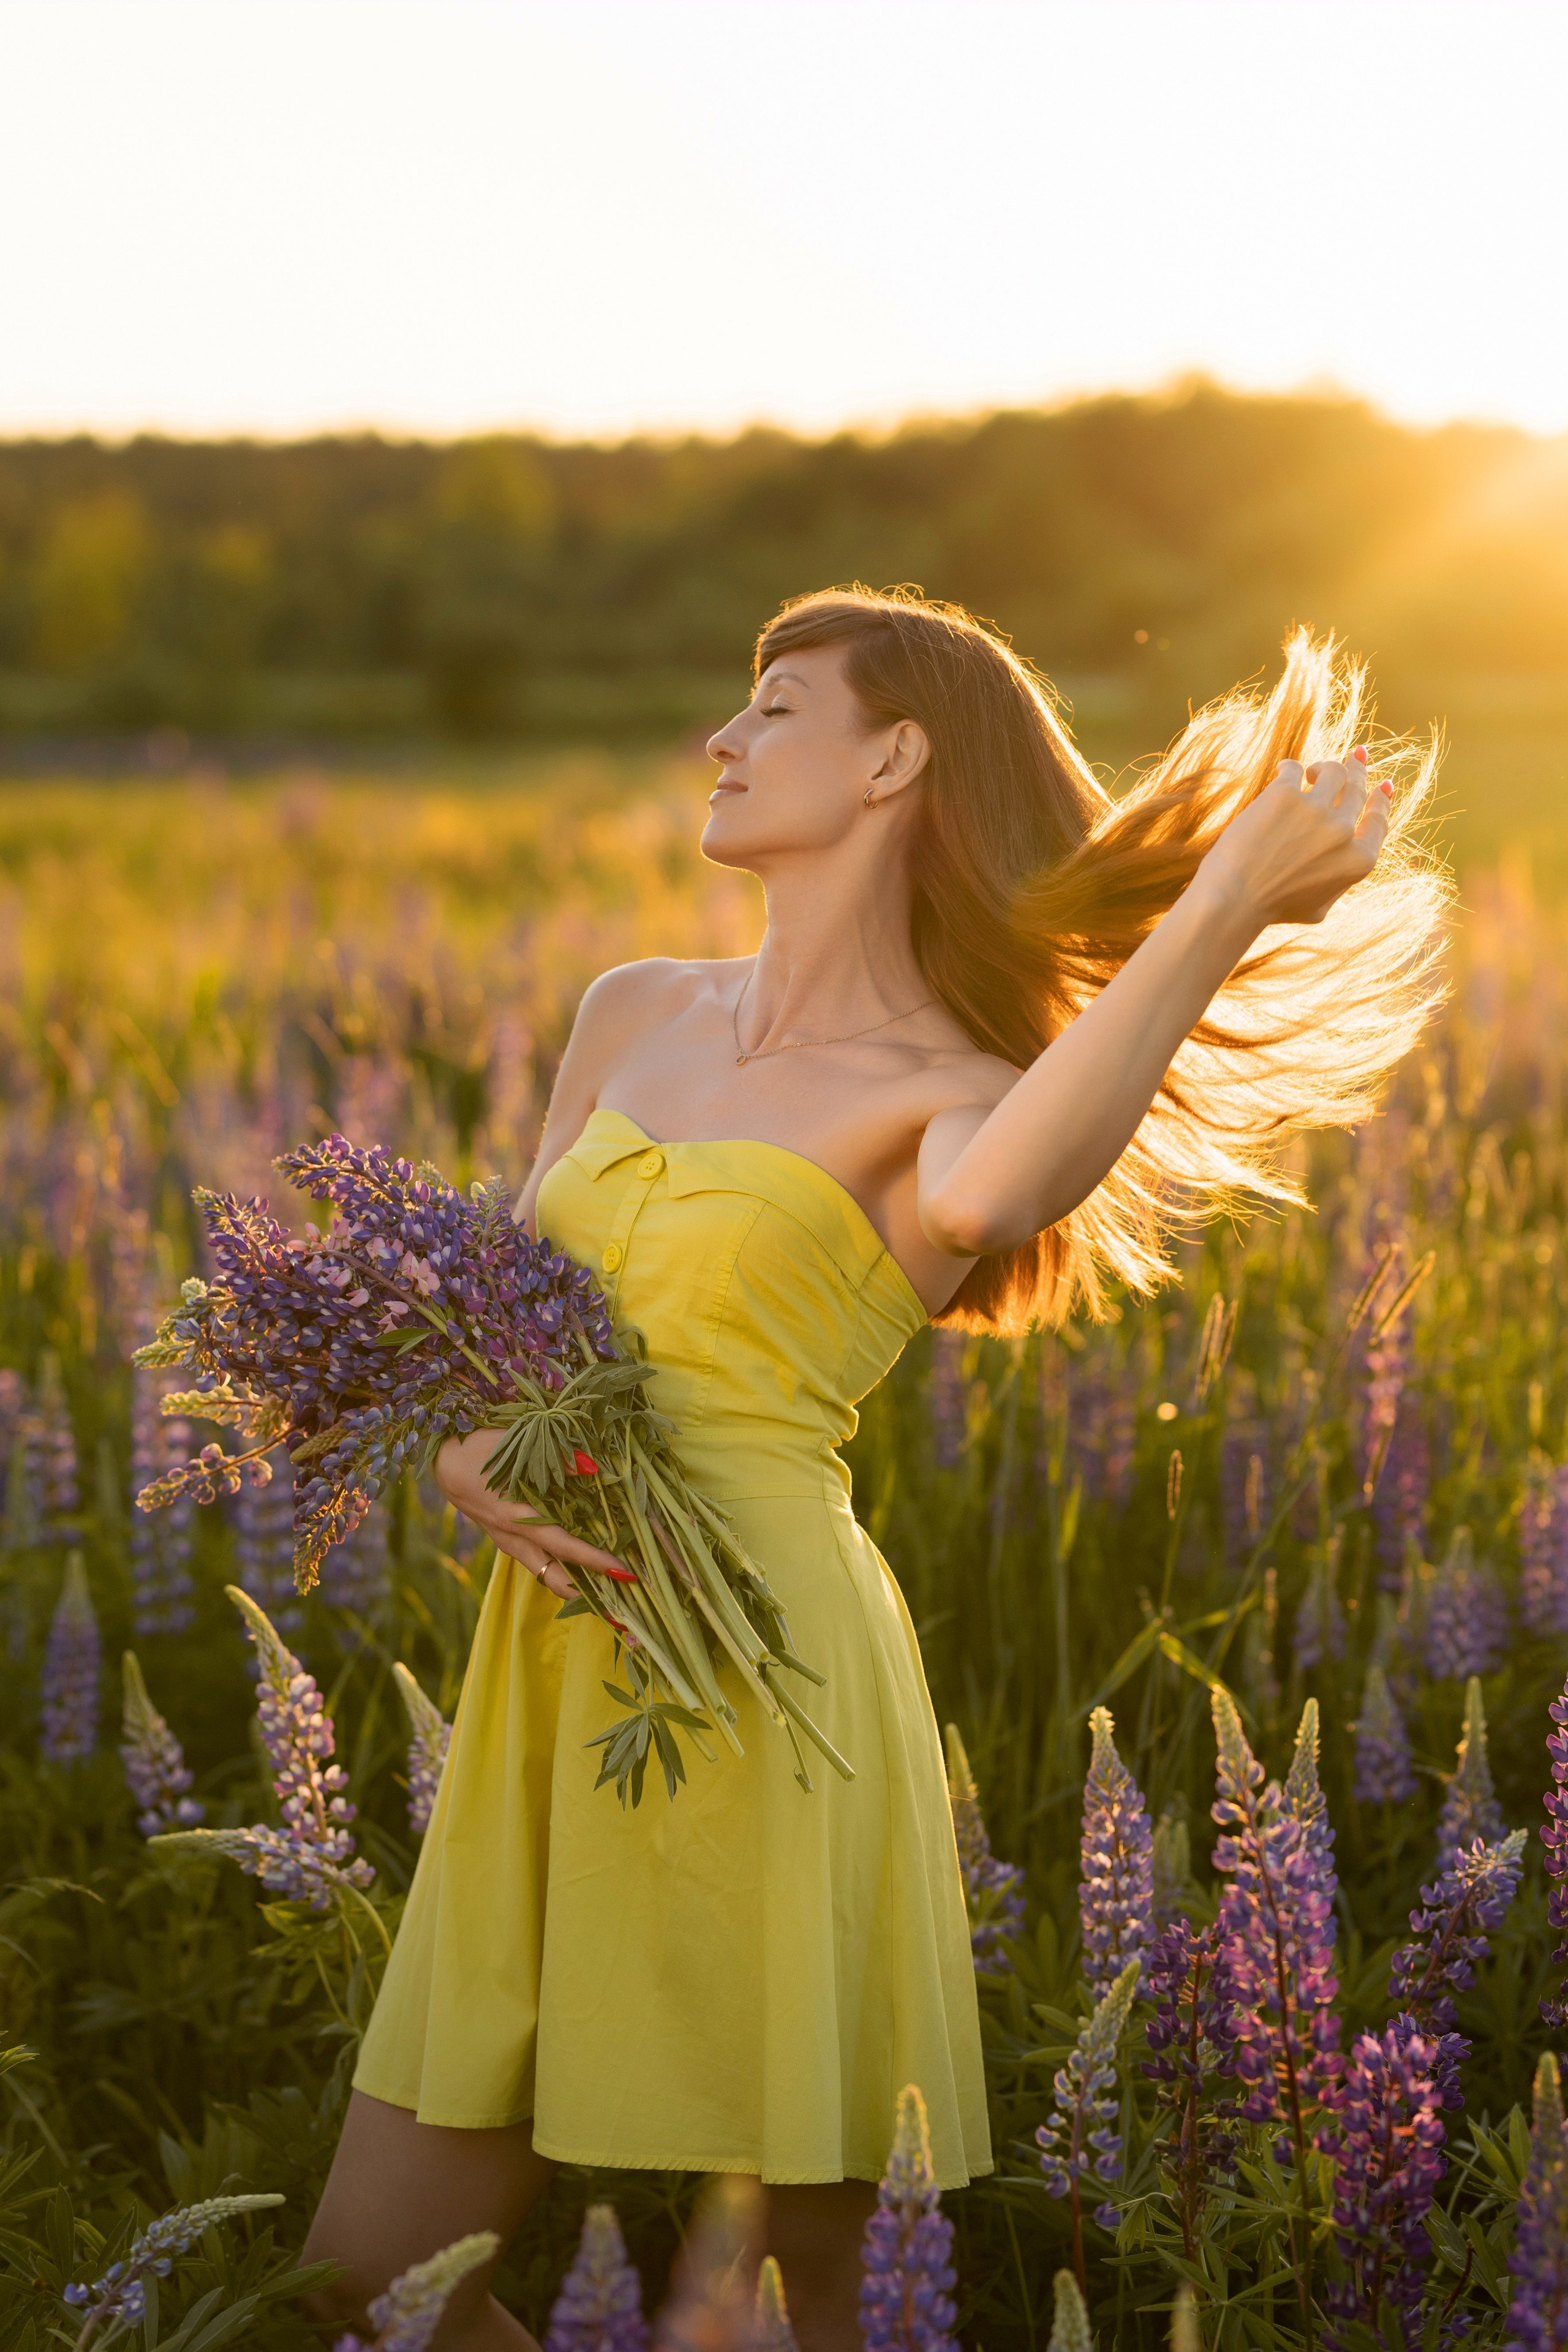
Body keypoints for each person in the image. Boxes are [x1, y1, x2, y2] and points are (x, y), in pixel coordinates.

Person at [303, 586, 1447, 2348]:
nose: (723, 739)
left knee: (788, 2295)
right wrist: (461, 1453)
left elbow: (994, 1205)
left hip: (769, 1671)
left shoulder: (956, 1093)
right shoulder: (632, 1012)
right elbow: (495, 1317)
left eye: (773, 706)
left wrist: (1218, 906)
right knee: (367, 2277)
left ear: (896, 756)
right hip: (551, 1668)